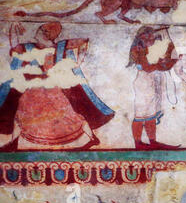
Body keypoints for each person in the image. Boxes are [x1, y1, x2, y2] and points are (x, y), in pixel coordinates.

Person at [0, 22, 114, 151]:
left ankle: (92, 138)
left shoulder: (58, 48)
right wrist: (14, 28)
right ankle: (13, 143)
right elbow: (13, 50)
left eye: (43, 30)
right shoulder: (28, 47)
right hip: (33, 90)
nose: (39, 32)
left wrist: (79, 60)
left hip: (53, 90)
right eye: (41, 29)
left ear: (48, 35)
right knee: (20, 112)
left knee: (71, 116)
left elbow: (83, 41)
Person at [128, 26, 180, 150]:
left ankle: (152, 141)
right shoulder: (138, 49)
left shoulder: (147, 48)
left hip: (151, 82)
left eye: (152, 36)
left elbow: (163, 65)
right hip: (143, 83)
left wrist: (169, 54)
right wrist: (160, 62)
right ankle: (138, 143)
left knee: (151, 114)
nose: (152, 38)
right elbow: (147, 67)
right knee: (140, 115)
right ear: (142, 37)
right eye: (149, 36)